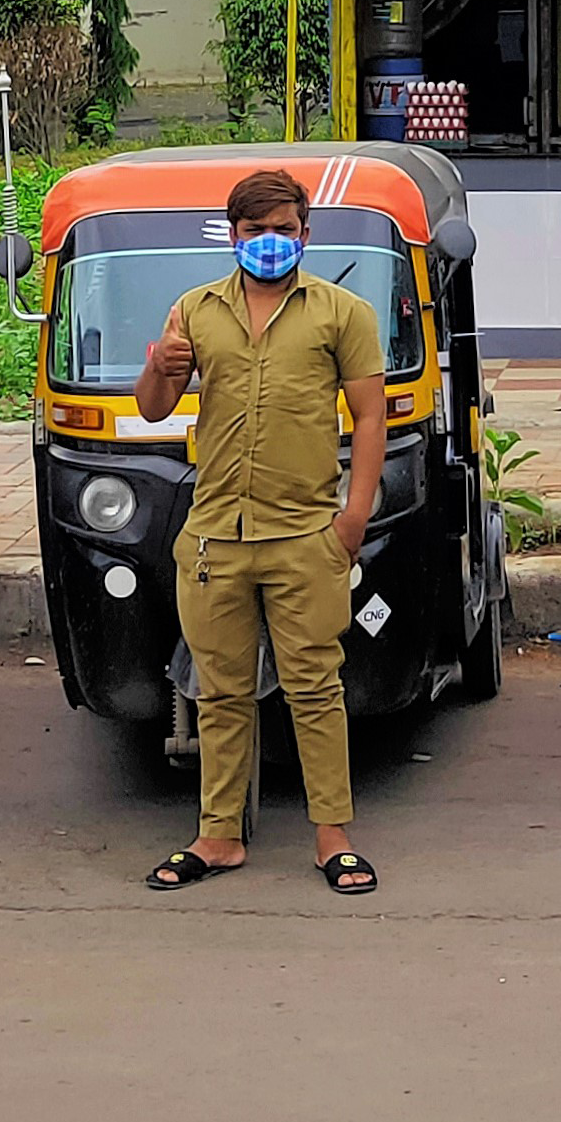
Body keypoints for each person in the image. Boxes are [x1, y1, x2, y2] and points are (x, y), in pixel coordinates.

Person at [134, 167, 389, 897]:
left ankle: (332, 836)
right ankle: (217, 836)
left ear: (305, 233)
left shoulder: (342, 313)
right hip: (215, 536)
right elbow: (154, 407)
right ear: (233, 235)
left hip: (306, 532)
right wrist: (161, 366)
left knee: (314, 686)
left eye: (283, 229)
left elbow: (369, 416)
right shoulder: (194, 310)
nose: (269, 243)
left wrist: (352, 519)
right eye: (255, 231)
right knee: (219, 690)